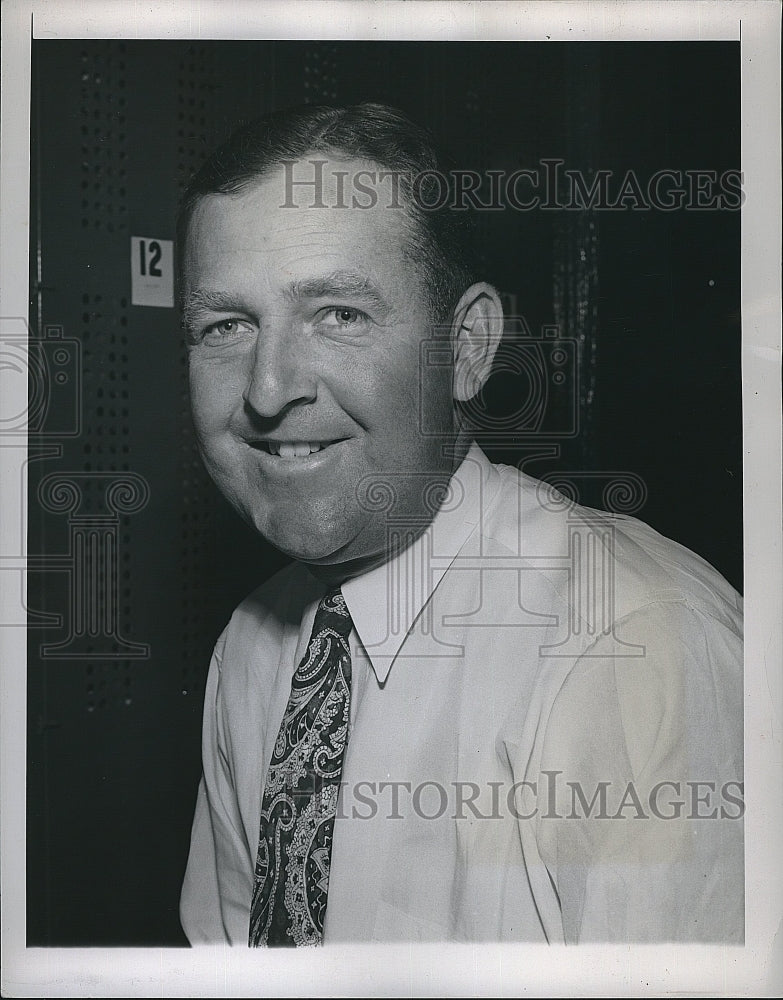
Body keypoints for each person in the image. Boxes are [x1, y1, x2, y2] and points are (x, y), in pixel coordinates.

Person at [177, 102, 743, 946]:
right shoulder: (254, 648)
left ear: (468, 348)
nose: (266, 389)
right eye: (227, 326)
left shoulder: (633, 646)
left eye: (338, 315)